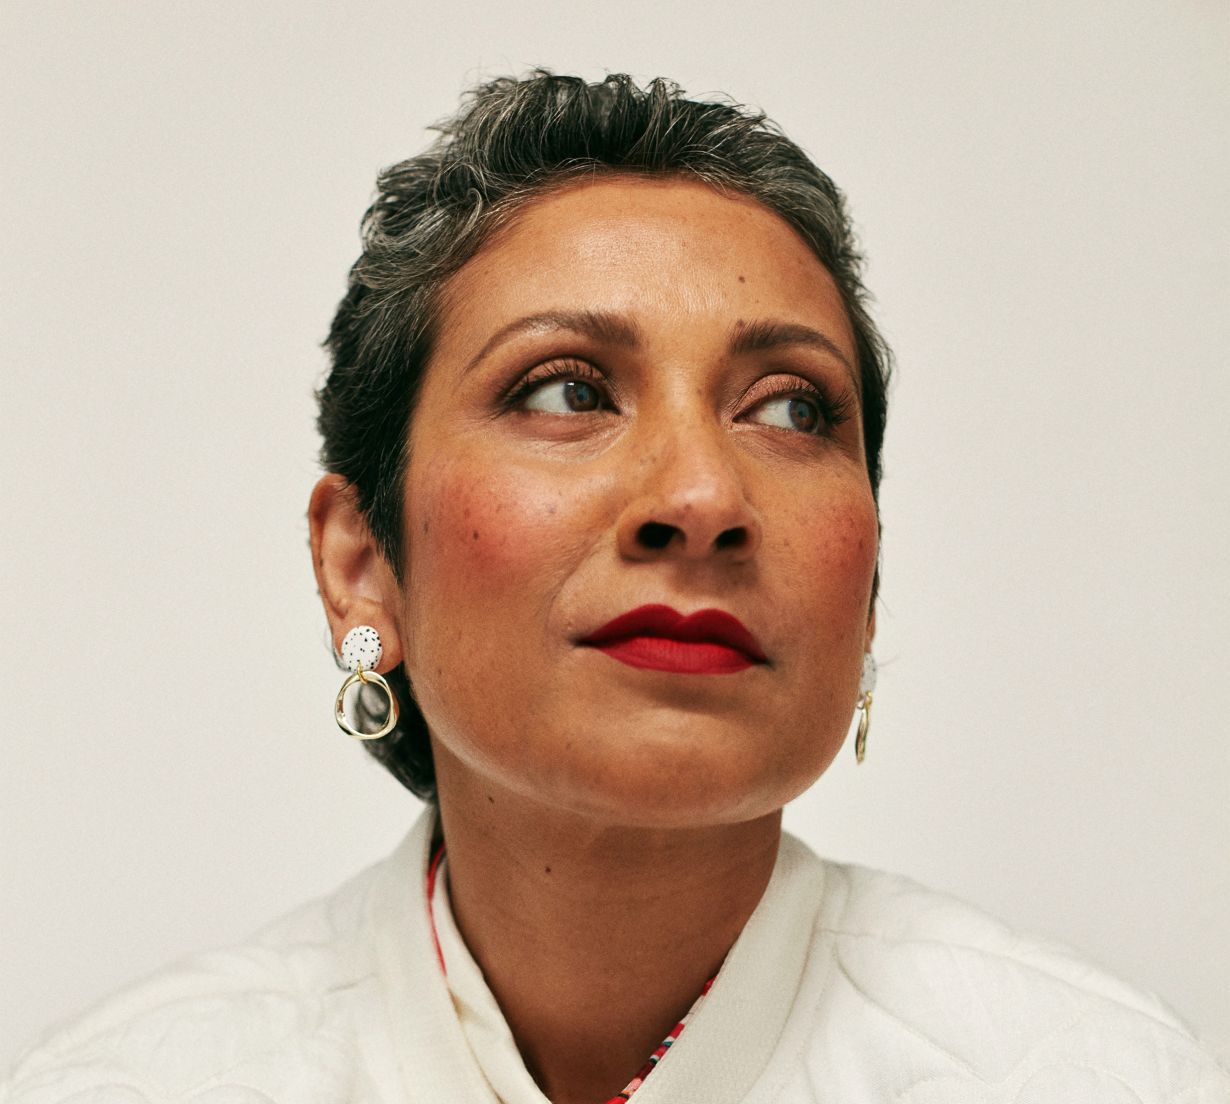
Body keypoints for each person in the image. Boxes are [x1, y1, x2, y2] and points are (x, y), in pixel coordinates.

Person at [4, 71, 1227, 1104]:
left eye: (792, 411)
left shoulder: (1087, 1076)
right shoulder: (132, 1085)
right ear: (362, 564)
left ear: (868, 579)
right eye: (566, 391)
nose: (701, 496)